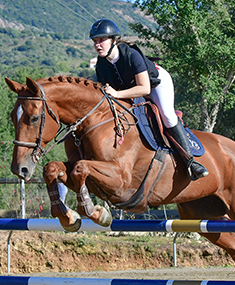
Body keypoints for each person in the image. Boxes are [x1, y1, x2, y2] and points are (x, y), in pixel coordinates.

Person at [89, 19, 208, 181]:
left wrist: (116, 94)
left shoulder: (131, 54)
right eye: (95, 41)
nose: (98, 45)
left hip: (155, 83)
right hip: (130, 89)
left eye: (102, 40)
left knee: (167, 116)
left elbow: (144, 88)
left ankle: (190, 162)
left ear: (114, 40)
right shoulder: (101, 65)